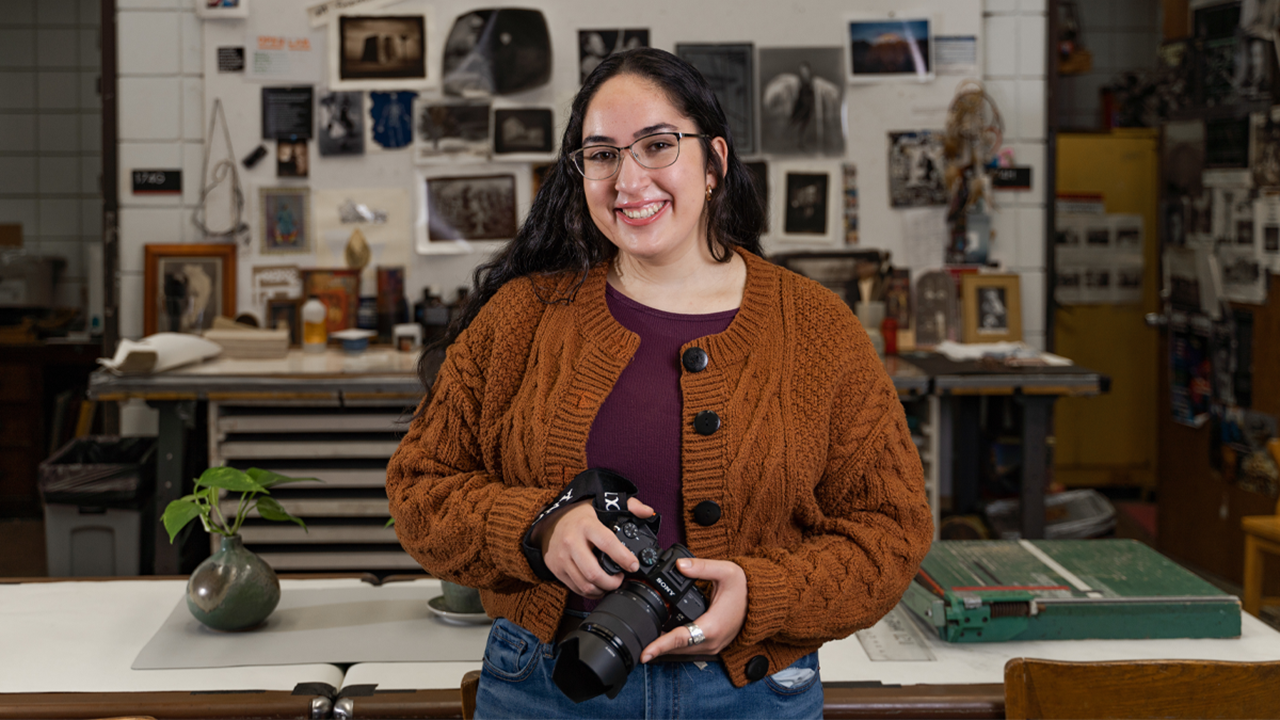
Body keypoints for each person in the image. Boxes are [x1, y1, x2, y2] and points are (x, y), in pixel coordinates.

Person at [386, 48, 933, 719]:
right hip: (547, 689)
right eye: (602, 154)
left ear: (715, 165)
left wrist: (762, 593)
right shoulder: (522, 318)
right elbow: (419, 489)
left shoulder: (818, 330)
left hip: (751, 696)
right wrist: (537, 529)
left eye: (657, 145)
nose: (627, 178)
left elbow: (891, 532)